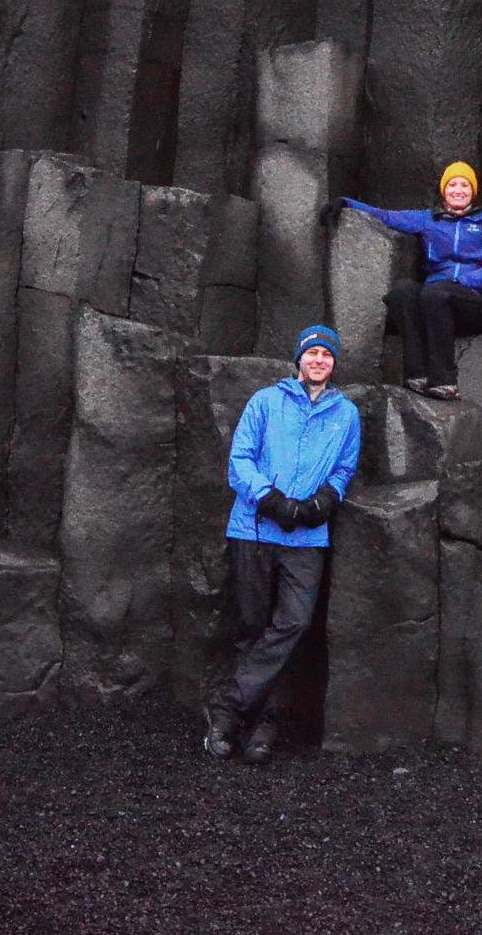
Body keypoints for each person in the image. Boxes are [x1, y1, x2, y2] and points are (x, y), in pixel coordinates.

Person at [204, 324, 361, 766]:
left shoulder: (345, 414)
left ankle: (227, 709)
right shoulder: (265, 402)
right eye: (312, 354)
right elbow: (239, 462)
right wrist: (270, 499)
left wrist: (324, 501)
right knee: (253, 628)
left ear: (333, 364)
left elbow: (344, 468)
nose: (319, 361)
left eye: (326, 356)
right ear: (299, 360)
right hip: (254, 529)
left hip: (307, 536)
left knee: (293, 623)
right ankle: (261, 724)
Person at [318, 161, 482, 400]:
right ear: (443, 190)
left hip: (474, 301)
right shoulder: (428, 219)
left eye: (464, 185)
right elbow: (386, 216)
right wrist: (346, 202)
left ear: (473, 191)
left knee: (436, 293)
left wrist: (464, 281)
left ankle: (445, 381)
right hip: (435, 303)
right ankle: (416, 375)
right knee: (403, 291)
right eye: (452, 184)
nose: (458, 190)